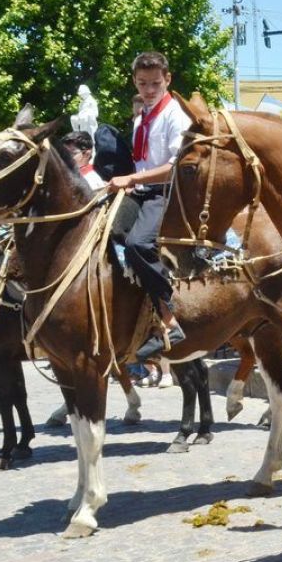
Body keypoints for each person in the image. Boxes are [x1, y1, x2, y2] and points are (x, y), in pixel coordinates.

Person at [109, 52, 192, 357]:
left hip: (165, 193)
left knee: (138, 244)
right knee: (102, 229)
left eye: (155, 83)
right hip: (142, 191)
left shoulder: (175, 115)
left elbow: (176, 166)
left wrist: (130, 179)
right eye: (143, 84)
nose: (149, 90)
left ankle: (170, 320)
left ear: (167, 79)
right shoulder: (142, 117)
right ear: (135, 82)